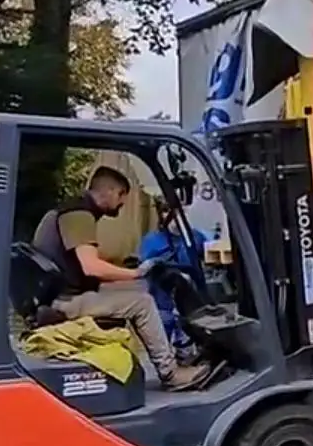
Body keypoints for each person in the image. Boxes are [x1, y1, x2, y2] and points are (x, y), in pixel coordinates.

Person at [32, 167, 208, 390]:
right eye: (122, 195)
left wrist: (126, 273)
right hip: (66, 300)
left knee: (134, 292)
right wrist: (137, 273)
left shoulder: (71, 211)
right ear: (110, 191)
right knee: (142, 302)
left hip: (61, 293)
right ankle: (171, 373)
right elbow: (91, 267)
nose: (123, 202)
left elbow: (79, 265)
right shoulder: (79, 214)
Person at [138, 194, 210, 364]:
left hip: (189, 304)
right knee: (164, 330)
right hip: (163, 303)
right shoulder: (152, 241)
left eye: (181, 211)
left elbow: (211, 250)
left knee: (192, 329)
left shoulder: (194, 238)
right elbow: (144, 268)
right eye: (166, 212)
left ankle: (188, 355)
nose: (175, 216)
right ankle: (167, 365)